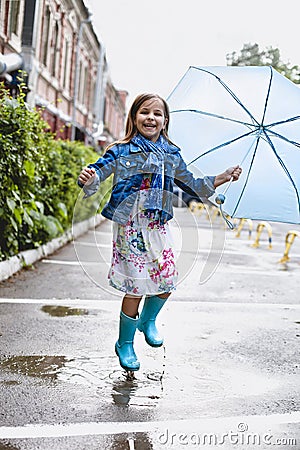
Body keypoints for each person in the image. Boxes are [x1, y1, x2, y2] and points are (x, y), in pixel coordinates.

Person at [78, 93, 242, 373]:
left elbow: (192, 185)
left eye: (157, 114)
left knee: (167, 280)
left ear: (165, 121)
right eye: (144, 112)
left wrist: (222, 177)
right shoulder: (121, 150)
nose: (150, 117)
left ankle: (147, 321)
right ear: (134, 117)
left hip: (157, 223)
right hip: (129, 224)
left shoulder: (171, 154)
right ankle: (125, 343)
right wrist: (89, 179)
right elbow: (98, 174)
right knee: (136, 285)